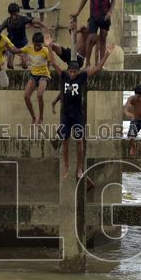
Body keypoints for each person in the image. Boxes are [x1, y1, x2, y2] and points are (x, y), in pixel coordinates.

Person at [50, 42, 116, 179]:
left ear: (77, 71)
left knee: (79, 141)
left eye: (74, 72)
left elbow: (97, 68)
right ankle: (67, 166)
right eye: (71, 72)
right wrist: (49, 47)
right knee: (65, 141)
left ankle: (79, 167)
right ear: (68, 71)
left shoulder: (82, 77)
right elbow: (54, 62)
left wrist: (107, 54)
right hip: (66, 115)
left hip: (77, 115)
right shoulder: (64, 76)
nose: (72, 74)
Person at [71, 0, 117, 67]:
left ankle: (101, 63)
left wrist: (110, 11)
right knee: (90, 39)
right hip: (93, 16)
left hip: (105, 16)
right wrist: (77, 12)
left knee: (103, 38)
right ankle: (87, 64)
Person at [21, 31, 52, 124]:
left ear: (42, 44)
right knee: (26, 96)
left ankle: (41, 117)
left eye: (39, 45)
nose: (38, 47)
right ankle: (34, 117)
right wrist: (23, 61)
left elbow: (50, 62)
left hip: (43, 75)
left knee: (39, 95)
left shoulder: (45, 50)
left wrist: (48, 72)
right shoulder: (28, 49)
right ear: (33, 43)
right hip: (33, 75)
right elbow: (25, 66)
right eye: (36, 45)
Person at [0, 3, 43, 68]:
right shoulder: (7, 21)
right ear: (10, 14)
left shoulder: (23, 19)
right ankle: (10, 55)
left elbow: (35, 21)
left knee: (25, 66)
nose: (14, 17)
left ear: (18, 12)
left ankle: (24, 59)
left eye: (15, 14)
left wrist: (44, 26)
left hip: (23, 44)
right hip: (12, 45)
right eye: (12, 15)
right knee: (9, 65)